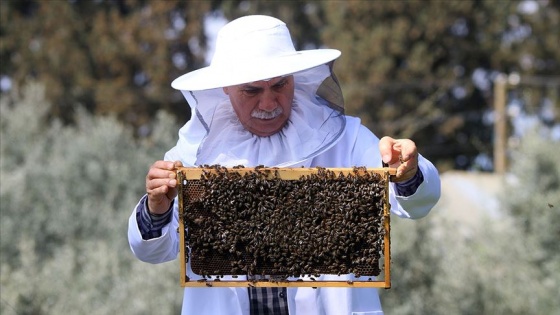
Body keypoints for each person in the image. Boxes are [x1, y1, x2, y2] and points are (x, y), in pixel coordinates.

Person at [128, 15, 440, 315]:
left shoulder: (348, 138)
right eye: (251, 90)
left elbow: (417, 203)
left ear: (294, 79)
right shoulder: (193, 153)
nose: (268, 103)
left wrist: (408, 173)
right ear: (226, 87)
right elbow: (154, 251)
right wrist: (157, 210)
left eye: (279, 85)